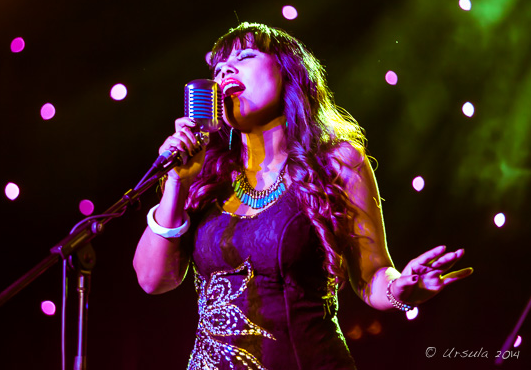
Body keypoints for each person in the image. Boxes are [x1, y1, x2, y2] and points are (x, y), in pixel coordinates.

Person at [133, 22, 473, 370]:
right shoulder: (206, 176)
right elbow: (152, 280)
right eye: (218, 69)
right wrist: (176, 181)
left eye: (245, 57)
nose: (226, 71)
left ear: (288, 71)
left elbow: (373, 275)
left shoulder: (337, 163)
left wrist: (399, 291)